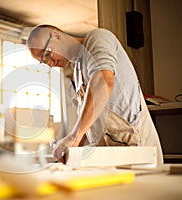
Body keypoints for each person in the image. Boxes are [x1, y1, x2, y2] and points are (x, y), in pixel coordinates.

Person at [26, 25, 163, 166]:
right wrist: (72, 146)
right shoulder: (77, 73)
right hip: (109, 154)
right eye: (44, 61)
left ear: (56, 35)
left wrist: (74, 136)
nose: (50, 64)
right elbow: (90, 121)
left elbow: (104, 81)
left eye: (47, 54)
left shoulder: (97, 38)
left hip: (136, 148)